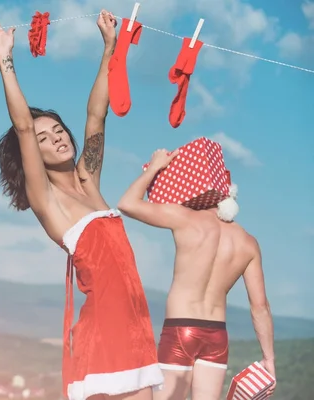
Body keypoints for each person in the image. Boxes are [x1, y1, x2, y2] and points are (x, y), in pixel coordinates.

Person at [0, 11, 164, 400]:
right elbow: (24, 127)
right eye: (45, 138)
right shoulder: (47, 201)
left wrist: (110, 48)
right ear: (33, 154)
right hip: (104, 333)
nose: (57, 138)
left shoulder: (88, 179)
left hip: (135, 325)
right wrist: (5, 60)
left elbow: (96, 115)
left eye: (58, 129)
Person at [117, 149, 276, 400]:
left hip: (181, 328)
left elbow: (127, 204)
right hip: (217, 335)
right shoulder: (248, 243)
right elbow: (260, 307)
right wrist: (269, 358)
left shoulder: (184, 218)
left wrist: (156, 166)